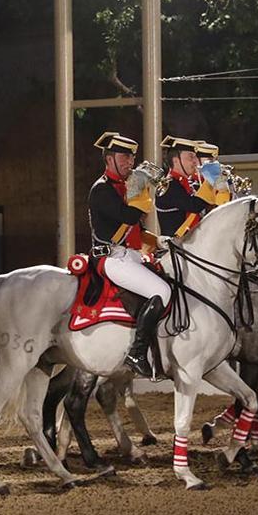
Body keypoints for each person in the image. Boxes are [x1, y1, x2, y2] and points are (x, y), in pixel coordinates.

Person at [88, 131, 171, 378]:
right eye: (124, 157)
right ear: (109, 158)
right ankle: (136, 353)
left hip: (129, 254)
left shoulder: (125, 187)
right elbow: (128, 217)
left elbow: (136, 230)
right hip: (110, 258)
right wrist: (144, 190)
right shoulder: (101, 189)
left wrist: (160, 242)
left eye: (131, 157)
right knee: (162, 292)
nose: (129, 162)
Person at [155, 136, 221, 238]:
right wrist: (211, 180)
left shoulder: (191, 184)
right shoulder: (168, 185)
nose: (195, 161)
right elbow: (194, 206)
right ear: (176, 161)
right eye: (191, 157)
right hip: (176, 247)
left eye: (195, 157)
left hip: (193, 244)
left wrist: (223, 186)